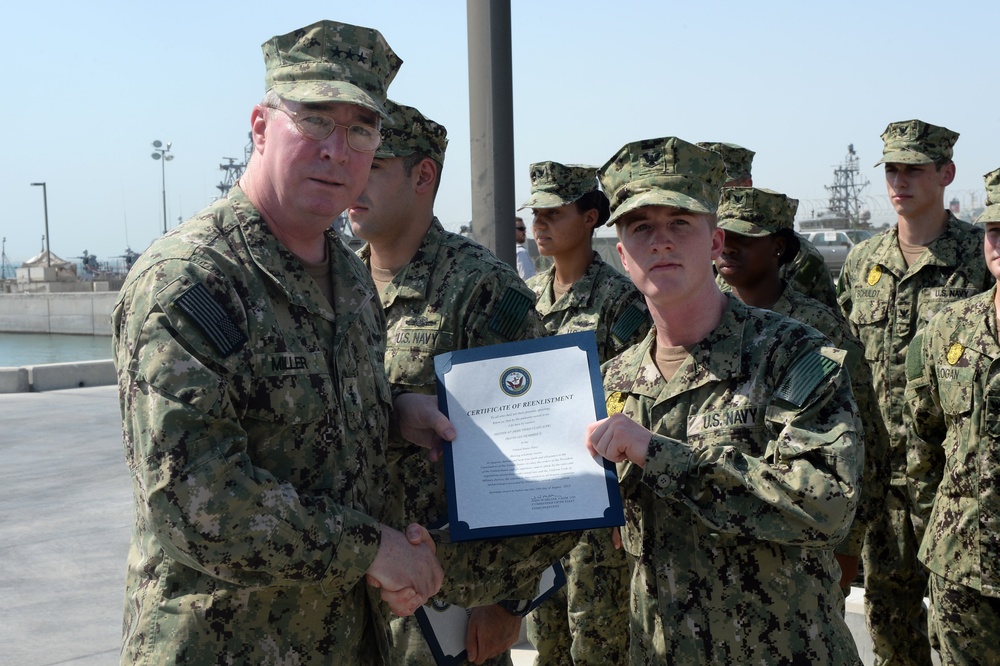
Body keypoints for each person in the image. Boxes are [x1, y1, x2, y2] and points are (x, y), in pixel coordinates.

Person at [112, 21, 570, 664]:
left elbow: (305, 430)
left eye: (361, 129)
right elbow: (196, 504)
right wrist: (374, 548)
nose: (339, 149)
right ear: (261, 125)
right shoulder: (192, 282)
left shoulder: (348, 275)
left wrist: (391, 415)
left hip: (349, 640)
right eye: (315, 119)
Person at [587, 136, 863, 665]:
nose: (661, 242)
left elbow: (826, 502)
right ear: (622, 256)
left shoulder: (789, 353)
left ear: (715, 244)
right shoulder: (612, 382)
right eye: (641, 227)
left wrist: (658, 453)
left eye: (680, 223)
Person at [349, 99, 544, 666]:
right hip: (346, 601)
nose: (351, 179)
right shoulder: (333, 285)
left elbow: (535, 452)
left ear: (423, 176)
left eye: (374, 165)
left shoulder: (481, 291)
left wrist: (508, 601)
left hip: (447, 610)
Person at [838, 119, 991, 666]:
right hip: (882, 476)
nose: (899, 181)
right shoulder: (863, 262)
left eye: (914, 169)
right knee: (887, 618)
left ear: (946, 173)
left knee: (966, 625)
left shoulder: (982, 257)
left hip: (960, 482)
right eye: (892, 170)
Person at [713, 186, 888, 598]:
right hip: (718, 543)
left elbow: (867, 443)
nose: (728, 248)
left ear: (777, 247)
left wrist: (849, 546)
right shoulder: (706, 318)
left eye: (745, 237)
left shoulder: (817, 329)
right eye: (723, 236)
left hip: (802, 551)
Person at [519, 161, 650, 665]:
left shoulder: (622, 302)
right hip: (539, 494)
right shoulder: (527, 298)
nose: (539, 225)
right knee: (546, 633)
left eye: (554, 212)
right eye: (536, 213)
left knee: (599, 637)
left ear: (592, 217)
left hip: (598, 499)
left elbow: (638, 402)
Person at [904, 166, 1000, 665]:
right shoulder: (947, 330)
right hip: (961, 567)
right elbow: (923, 448)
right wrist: (935, 533)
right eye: (994, 231)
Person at [699, 141, 839, 309]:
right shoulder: (695, 244)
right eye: (702, 189)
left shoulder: (793, 255)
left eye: (718, 188)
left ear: (746, 185)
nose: (710, 198)